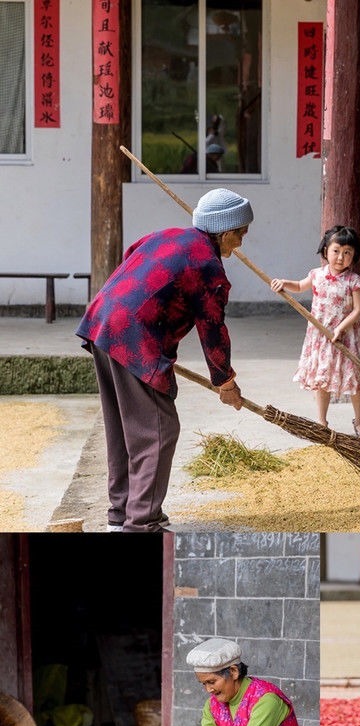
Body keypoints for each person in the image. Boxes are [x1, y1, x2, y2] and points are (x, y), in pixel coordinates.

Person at [76, 189, 252, 532]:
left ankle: (122, 513)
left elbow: (130, 258)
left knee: (125, 427)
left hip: (103, 321)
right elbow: (212, 330)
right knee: (158, 429)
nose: (241, 243)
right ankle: (141, 522)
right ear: (225, 231)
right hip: (134, 337)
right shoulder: (208, 266)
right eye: (241, 234)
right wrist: (225, 382)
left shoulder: (167, 235)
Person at [270, 225, 360, 438]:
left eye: (347, 253)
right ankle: (322, 422)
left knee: (354, 381)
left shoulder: (355, 281)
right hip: (321, 337)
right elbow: (299, 286)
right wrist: (284, 284)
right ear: (326, 250)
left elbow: (358, 310)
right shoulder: (317, 275)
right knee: (322, 378)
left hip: (346, 338)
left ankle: (359, 422)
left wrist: (341, 328)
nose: (340, 257)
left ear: (354, 256)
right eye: (336, 251)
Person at [186, 637, 305, 726]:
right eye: (203, 684)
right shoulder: (212, 705)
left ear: (234, 672)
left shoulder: (266, 700)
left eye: (211, 682)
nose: (208, 689)